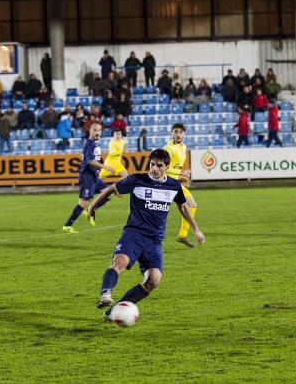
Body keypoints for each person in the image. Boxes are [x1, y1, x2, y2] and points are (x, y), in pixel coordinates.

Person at [91, 148, 204, 316]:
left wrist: (195, 229)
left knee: (153, 280)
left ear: (167, 166)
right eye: (152, 164)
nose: (154, 169)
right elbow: (111, 189)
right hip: (133, 234)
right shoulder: (137, 180)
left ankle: (113, 312)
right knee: (119, 263)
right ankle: (105, 293)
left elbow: (182, 207)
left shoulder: (173, 186)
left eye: (159, 165)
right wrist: (93, 207)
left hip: (154, 241)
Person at [62, 124, 114, 233]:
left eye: (99, 130)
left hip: (94, 175)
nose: (97, 132)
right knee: (83, 202)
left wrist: (100, 166)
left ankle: (92, 209)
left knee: (109, 193)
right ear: (90, 130)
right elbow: (90, 161)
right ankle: (68, 225)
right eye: (95, 130)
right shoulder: (89, 144)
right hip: (87, 176)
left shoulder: (96, 143)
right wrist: (106, 167)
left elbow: (97, 158)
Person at [163, 123, 198, 247]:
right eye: (175, 132)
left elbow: (176, 167)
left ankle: (183, 235)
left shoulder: (183, 147)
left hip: (174, 183)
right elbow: (163, 167)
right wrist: (182, 174)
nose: (178, 134)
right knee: (158, 213)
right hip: (166, 182)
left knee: (191, 204)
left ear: (184, 134)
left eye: (180, 132)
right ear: (171, 133)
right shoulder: (168, 148)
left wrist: (181, 177)